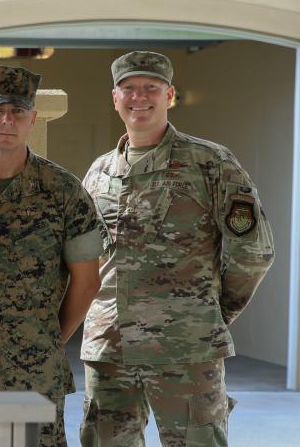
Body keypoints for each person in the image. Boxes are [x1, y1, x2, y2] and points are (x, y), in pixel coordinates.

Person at [79, 51, 275, 447]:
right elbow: (85, 259)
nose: (140, 97)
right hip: (108, 349)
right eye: (129, 88)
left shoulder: (210, 163)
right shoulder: (99, 172)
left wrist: (210, 313)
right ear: (114, 98)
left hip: (184, 349)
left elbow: (253, 251)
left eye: (151, 88)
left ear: (170, 96)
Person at [0, 66, 103, 446]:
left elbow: (87, 280)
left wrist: (47, 338)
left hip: (34, 373)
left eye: (17, 112)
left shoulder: (64, 191)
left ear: (32, 119)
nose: (6, 121)